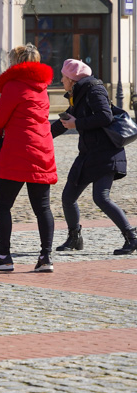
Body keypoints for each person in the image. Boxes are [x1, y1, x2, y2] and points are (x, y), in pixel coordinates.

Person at [0, 44, 57, 273]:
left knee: (3, 205)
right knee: (42, 208)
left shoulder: (14, 86)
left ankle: (4, 257)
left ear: (17, 62)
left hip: (17, 152)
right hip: (42, 151)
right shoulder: (42, 87)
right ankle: (45, 257)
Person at [52, 59, 136, 255]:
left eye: (63, 76)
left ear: (72, 79)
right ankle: (75, 238)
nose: (61, 80)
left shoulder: (94, 90)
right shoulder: (78, 94)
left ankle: (132, 238)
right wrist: (42, 135)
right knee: (68, 197)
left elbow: (105, 116)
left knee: (101, 198)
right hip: (88, 153)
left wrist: (78, 124)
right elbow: (67, 120)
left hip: (106, 153)